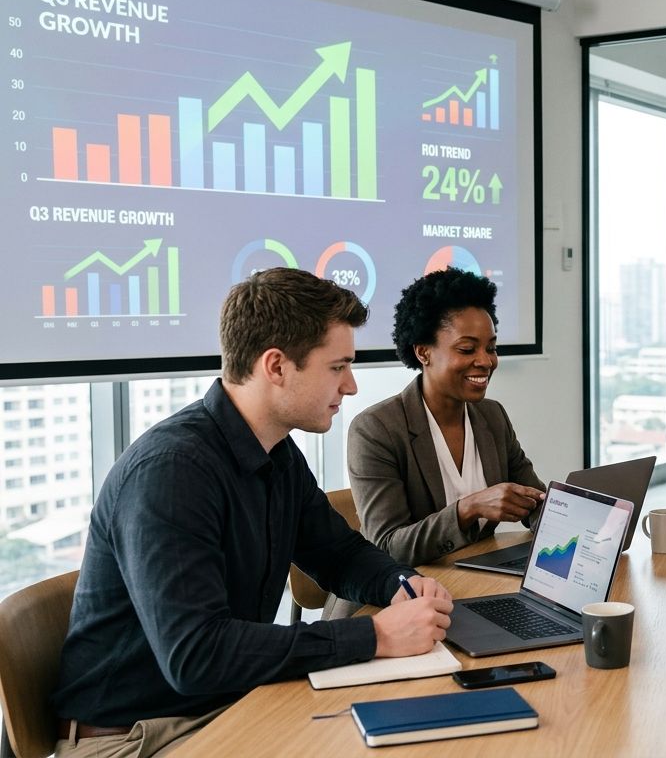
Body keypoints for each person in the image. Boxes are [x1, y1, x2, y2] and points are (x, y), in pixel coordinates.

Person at [52, 268, 453, 758]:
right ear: (277, 366)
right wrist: (373, 635)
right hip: (138, 735)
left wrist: (401, 583)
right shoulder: (172, 472)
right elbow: (196, 655)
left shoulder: (276, 453)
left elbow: (338, 553)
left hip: (223, 701)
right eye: (338, 366)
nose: (350, 386)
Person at [347, 268, 545, 569]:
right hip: (396, 599)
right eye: (467, 348)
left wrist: (576, 522)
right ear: (424, 352)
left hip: (471, 582)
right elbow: (387, 548)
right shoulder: (376, 429)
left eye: (491, 348)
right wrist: (468, 508)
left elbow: (532, 501)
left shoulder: (492, 416)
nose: (485, 361)